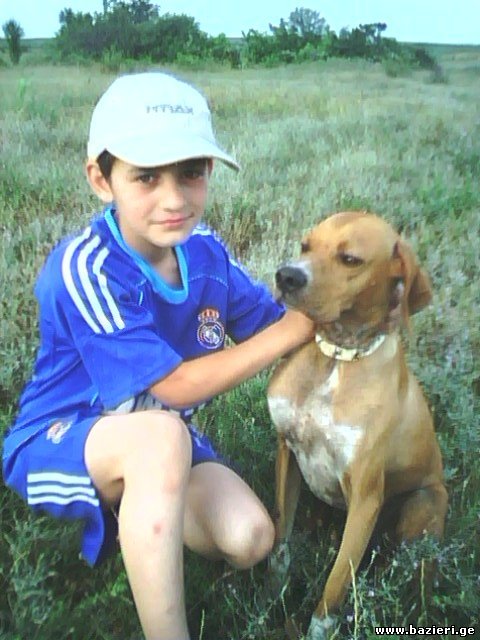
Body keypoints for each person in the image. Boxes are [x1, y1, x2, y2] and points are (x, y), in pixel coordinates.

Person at [2, 72, 314, 640]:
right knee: (160, 435)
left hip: (163, 442)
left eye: (191, 171)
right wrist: (295, 329)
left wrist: (340, 313)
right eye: (146, 176)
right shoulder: (85, 267)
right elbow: (176, 388)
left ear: (210, 170)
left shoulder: (206, 251)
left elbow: (273, 324)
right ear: (102, 179)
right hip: (63, 439)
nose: (173, 199)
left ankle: (142, 506)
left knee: (250, 538)